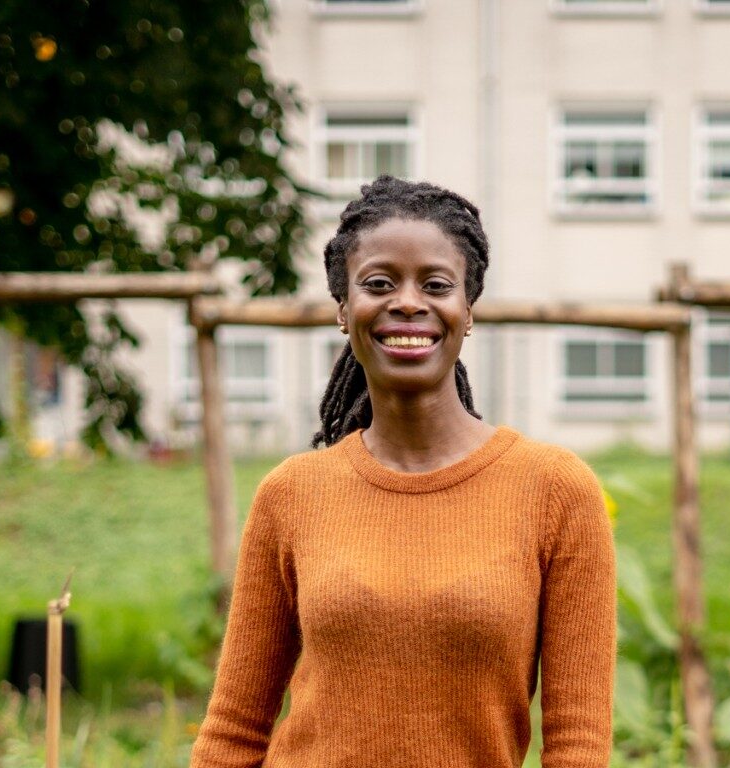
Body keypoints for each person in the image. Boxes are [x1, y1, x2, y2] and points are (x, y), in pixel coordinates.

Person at [187, 176, 617, 767]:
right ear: (344, 310)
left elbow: (578, 747)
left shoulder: (555, 491)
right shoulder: (291, 494)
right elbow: (233, 731)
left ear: (468, 311)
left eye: (436, 285)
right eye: (379, 283)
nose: (408, 302)